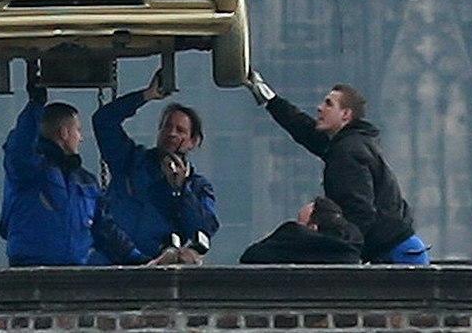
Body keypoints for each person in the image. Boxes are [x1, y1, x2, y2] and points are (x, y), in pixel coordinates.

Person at [246, 71, 431, 264]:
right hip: (398, 247)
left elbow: (361, 213)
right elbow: (306, 130)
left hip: (394, 253)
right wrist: (270, 100)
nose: (319, 108)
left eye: (328, 104)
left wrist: (346, 253)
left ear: (345, 114)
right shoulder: (349, 143)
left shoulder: (348, 152)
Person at [0, 75, 151, 267]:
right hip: (30, 274)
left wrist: (138, 259)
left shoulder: (85, 181)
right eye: (78, 130)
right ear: (64, 133)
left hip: (74, 277)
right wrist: (35, 107)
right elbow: (19, 148)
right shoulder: (29, 171)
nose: (81, 138)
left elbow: (104, 230)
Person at [92, 71, 218, 260]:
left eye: (180, 130)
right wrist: (146, 96)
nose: (171, 134)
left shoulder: (198, 187)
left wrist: (181, 189)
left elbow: (203, 229)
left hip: (155, 267)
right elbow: (103, 121)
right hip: (109, 260)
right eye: (167, 127)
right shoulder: (130, 160)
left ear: (193, 141)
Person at [238, 196, 364, 264]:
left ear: (312, 228)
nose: (297, 227)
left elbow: (251, 256)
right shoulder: (352, 251)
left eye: (300, 223)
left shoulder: (292, 245)